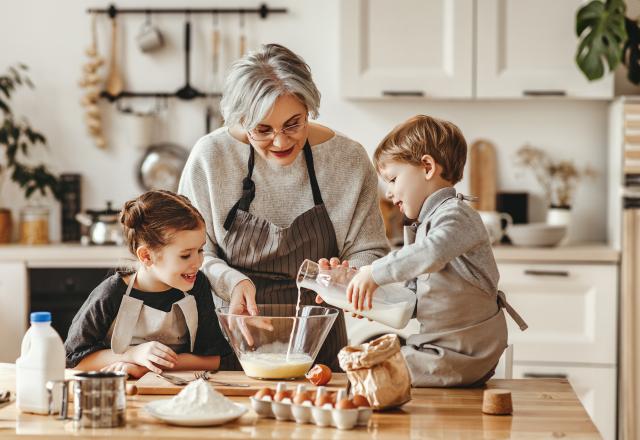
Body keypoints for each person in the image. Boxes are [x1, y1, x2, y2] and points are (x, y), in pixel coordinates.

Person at [178, 43, 389, 371]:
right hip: (232, 337)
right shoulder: (210, 157)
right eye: (262, 130)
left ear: (309, 108)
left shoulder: (348, 160)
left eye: (293, 124)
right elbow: (191, 254)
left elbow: (370, 250)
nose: (280, 142)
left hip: (320, 343)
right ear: (240, 120)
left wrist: (350, 275)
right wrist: (233, 282)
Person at [346, 115, 528, 387]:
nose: (390, 193)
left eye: (393, 179)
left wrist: (374, 272)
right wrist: (372, 299)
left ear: (427, 166)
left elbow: (431, 252)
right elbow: (412, 298)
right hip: (439, 346)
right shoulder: (422, 225)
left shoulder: (456, 215)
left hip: (465, 351)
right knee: (369, 365)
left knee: (371, 370)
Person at [64, 190, 230, 378]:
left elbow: (215, 359)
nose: (198, 262)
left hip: (181, 391)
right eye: (185, 255)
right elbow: (73, 360)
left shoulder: (197, 285)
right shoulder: (111, 293)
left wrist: (146, 367)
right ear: (147, 256)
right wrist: (133, 354)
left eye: (200, 250)